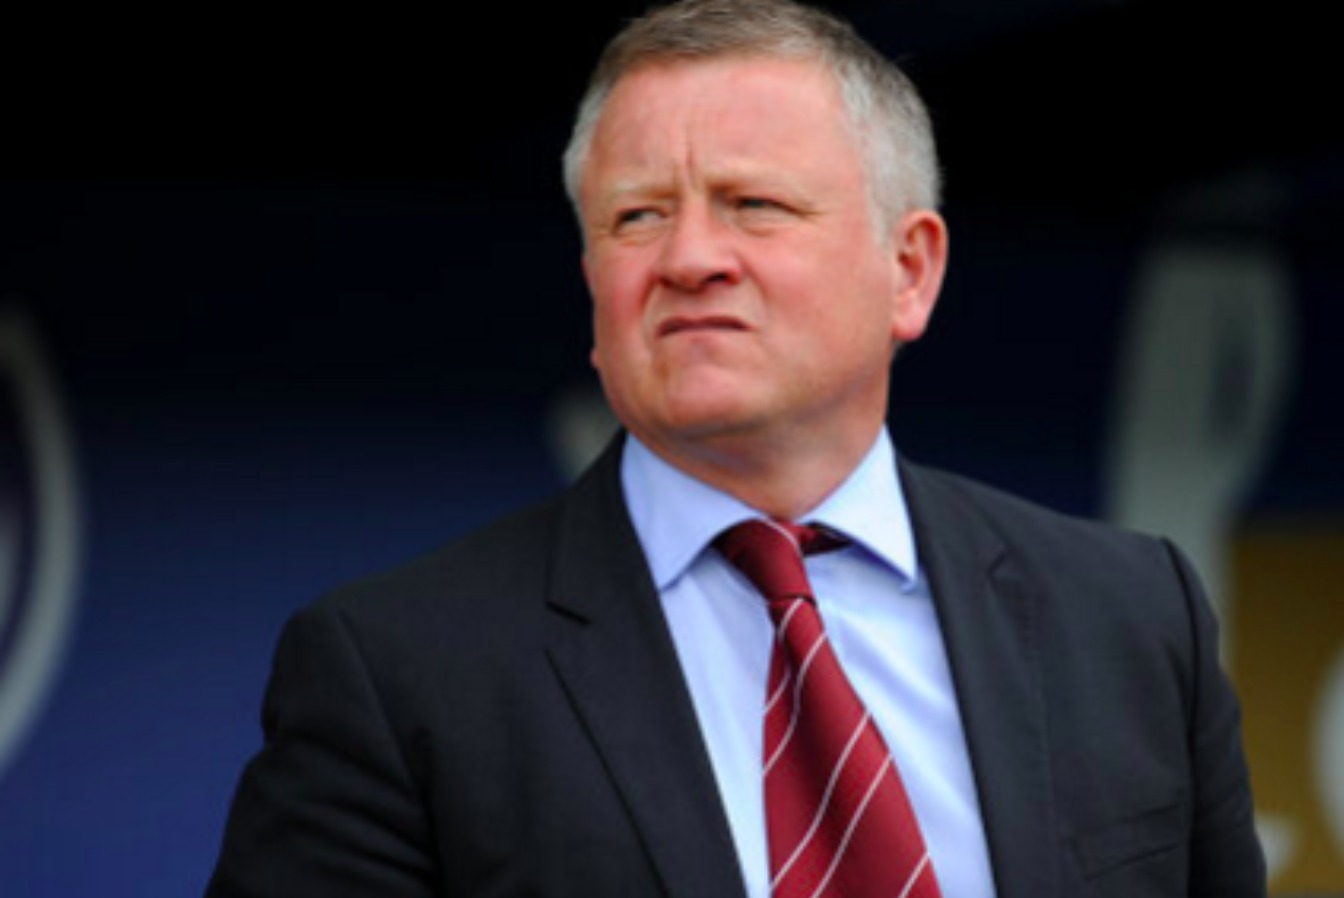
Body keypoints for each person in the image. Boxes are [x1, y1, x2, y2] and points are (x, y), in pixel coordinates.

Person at [207, 1, 1266, 895]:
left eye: (754, 205)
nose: (689, 259)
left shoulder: (1133, 615)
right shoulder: (397, 673)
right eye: (636, 217)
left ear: (909, 271)